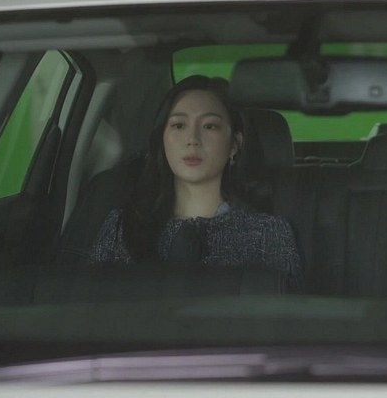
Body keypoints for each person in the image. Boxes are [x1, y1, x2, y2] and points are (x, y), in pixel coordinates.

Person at [89, 75, 303, 291]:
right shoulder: (121, 228)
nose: (192, 139)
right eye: (179, 125)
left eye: (210, 126)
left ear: (235, 144)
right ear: (162, 139)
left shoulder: (268, 233)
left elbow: (284, 310)